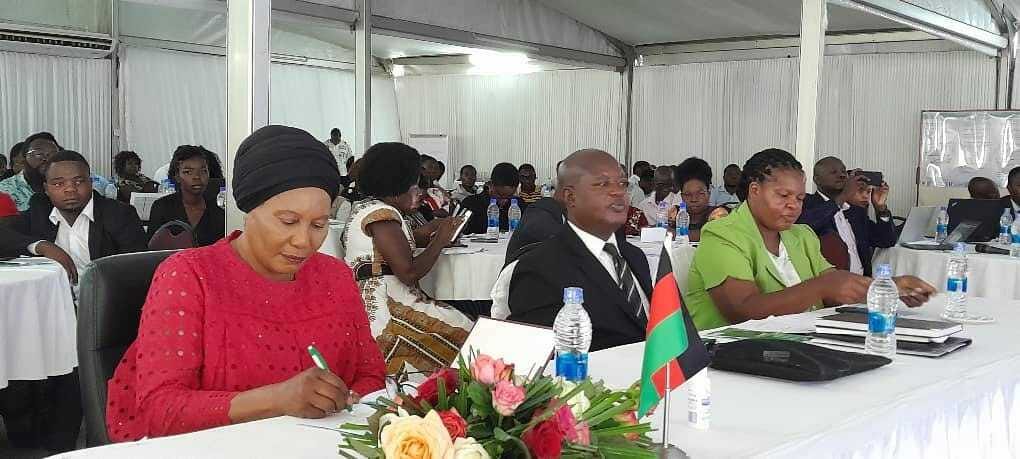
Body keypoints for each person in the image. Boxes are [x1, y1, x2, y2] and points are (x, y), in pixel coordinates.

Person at [105, 125, 386, 442]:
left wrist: (346, 401)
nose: (304, 240)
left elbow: (370, 374)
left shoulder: (335, 276)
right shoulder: (189, 276)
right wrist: (277, 400)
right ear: (249, 210)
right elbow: (161, 410)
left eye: (319, 225)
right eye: (288, 221)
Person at [686, 149, 934, 330]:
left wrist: (888, 287)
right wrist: (822, 286)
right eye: (783, 195)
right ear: (754, 190)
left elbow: (835, 289)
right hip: (730, 358)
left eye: (800, 198)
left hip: (799, 346)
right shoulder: (721, 235)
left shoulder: (802, 235)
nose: (793, 206)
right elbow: (743, 311)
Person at [343, 142, 472, 374]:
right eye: (415, 184)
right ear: (397, 184)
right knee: (466, 329)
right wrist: (439, 240)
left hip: (382, 299)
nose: (420, 192)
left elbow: (406, 241)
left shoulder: (371, 208)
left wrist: (434, 230)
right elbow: (408, 273)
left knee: (461, 321)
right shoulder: (381, 216)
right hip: (385, 309)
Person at [505, 149, 651, 351]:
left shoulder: (635, 256)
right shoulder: (539, 269)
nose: (618, 192)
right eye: (603, 184)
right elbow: (540, 358)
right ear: (571, 197)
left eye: (622, 184)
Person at [15, 150, 147, 276]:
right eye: (58, 184)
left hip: (104, 290)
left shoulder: (120, 214)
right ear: (46, 189)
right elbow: (7, 234)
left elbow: (136, 268)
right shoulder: (40, 208)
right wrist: (41, 246)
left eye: (78, 182)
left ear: (91, 183)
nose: (70, 189)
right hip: (52, 290)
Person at [796, 157, 896, 276]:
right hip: (827, 282)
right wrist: (842, 197)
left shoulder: (856, 211)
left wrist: (880, 208)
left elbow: (886, 241)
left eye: (843, 171)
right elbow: (805, 226)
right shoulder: (807, 203)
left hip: (861, 281)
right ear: (816, 179)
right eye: (833, 172)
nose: (842, 175)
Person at [147, 145, 226, 247]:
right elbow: (152, 250)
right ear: (177, 176)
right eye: (188, 172)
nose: (197, 177)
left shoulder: (218, 210)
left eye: (203, 171)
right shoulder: (162, 206)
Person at [506, 162, 568, 263]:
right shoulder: (515, 193)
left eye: (529, 177)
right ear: (519, 178)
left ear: (535, 177)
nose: (527, 180)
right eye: (523, 177)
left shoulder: (543, 192)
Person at [461, 163, 527, 234]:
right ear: (491, 184)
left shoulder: (520, 206)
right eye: (500, 196)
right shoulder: (470, 205)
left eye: (509, 197)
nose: (504, 201)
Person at [0, 133, 58, 211]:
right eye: (39, 154)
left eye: (52, 154)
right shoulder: (5, 190)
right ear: (24, 157)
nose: (46, 159)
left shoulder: (65, 186)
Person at [677, 173, 728, 242]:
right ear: (682, 197)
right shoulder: (676, 217)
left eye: (700, 193)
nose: (694, 199)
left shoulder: (717, 213)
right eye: (688, 194)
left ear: (709, 195)